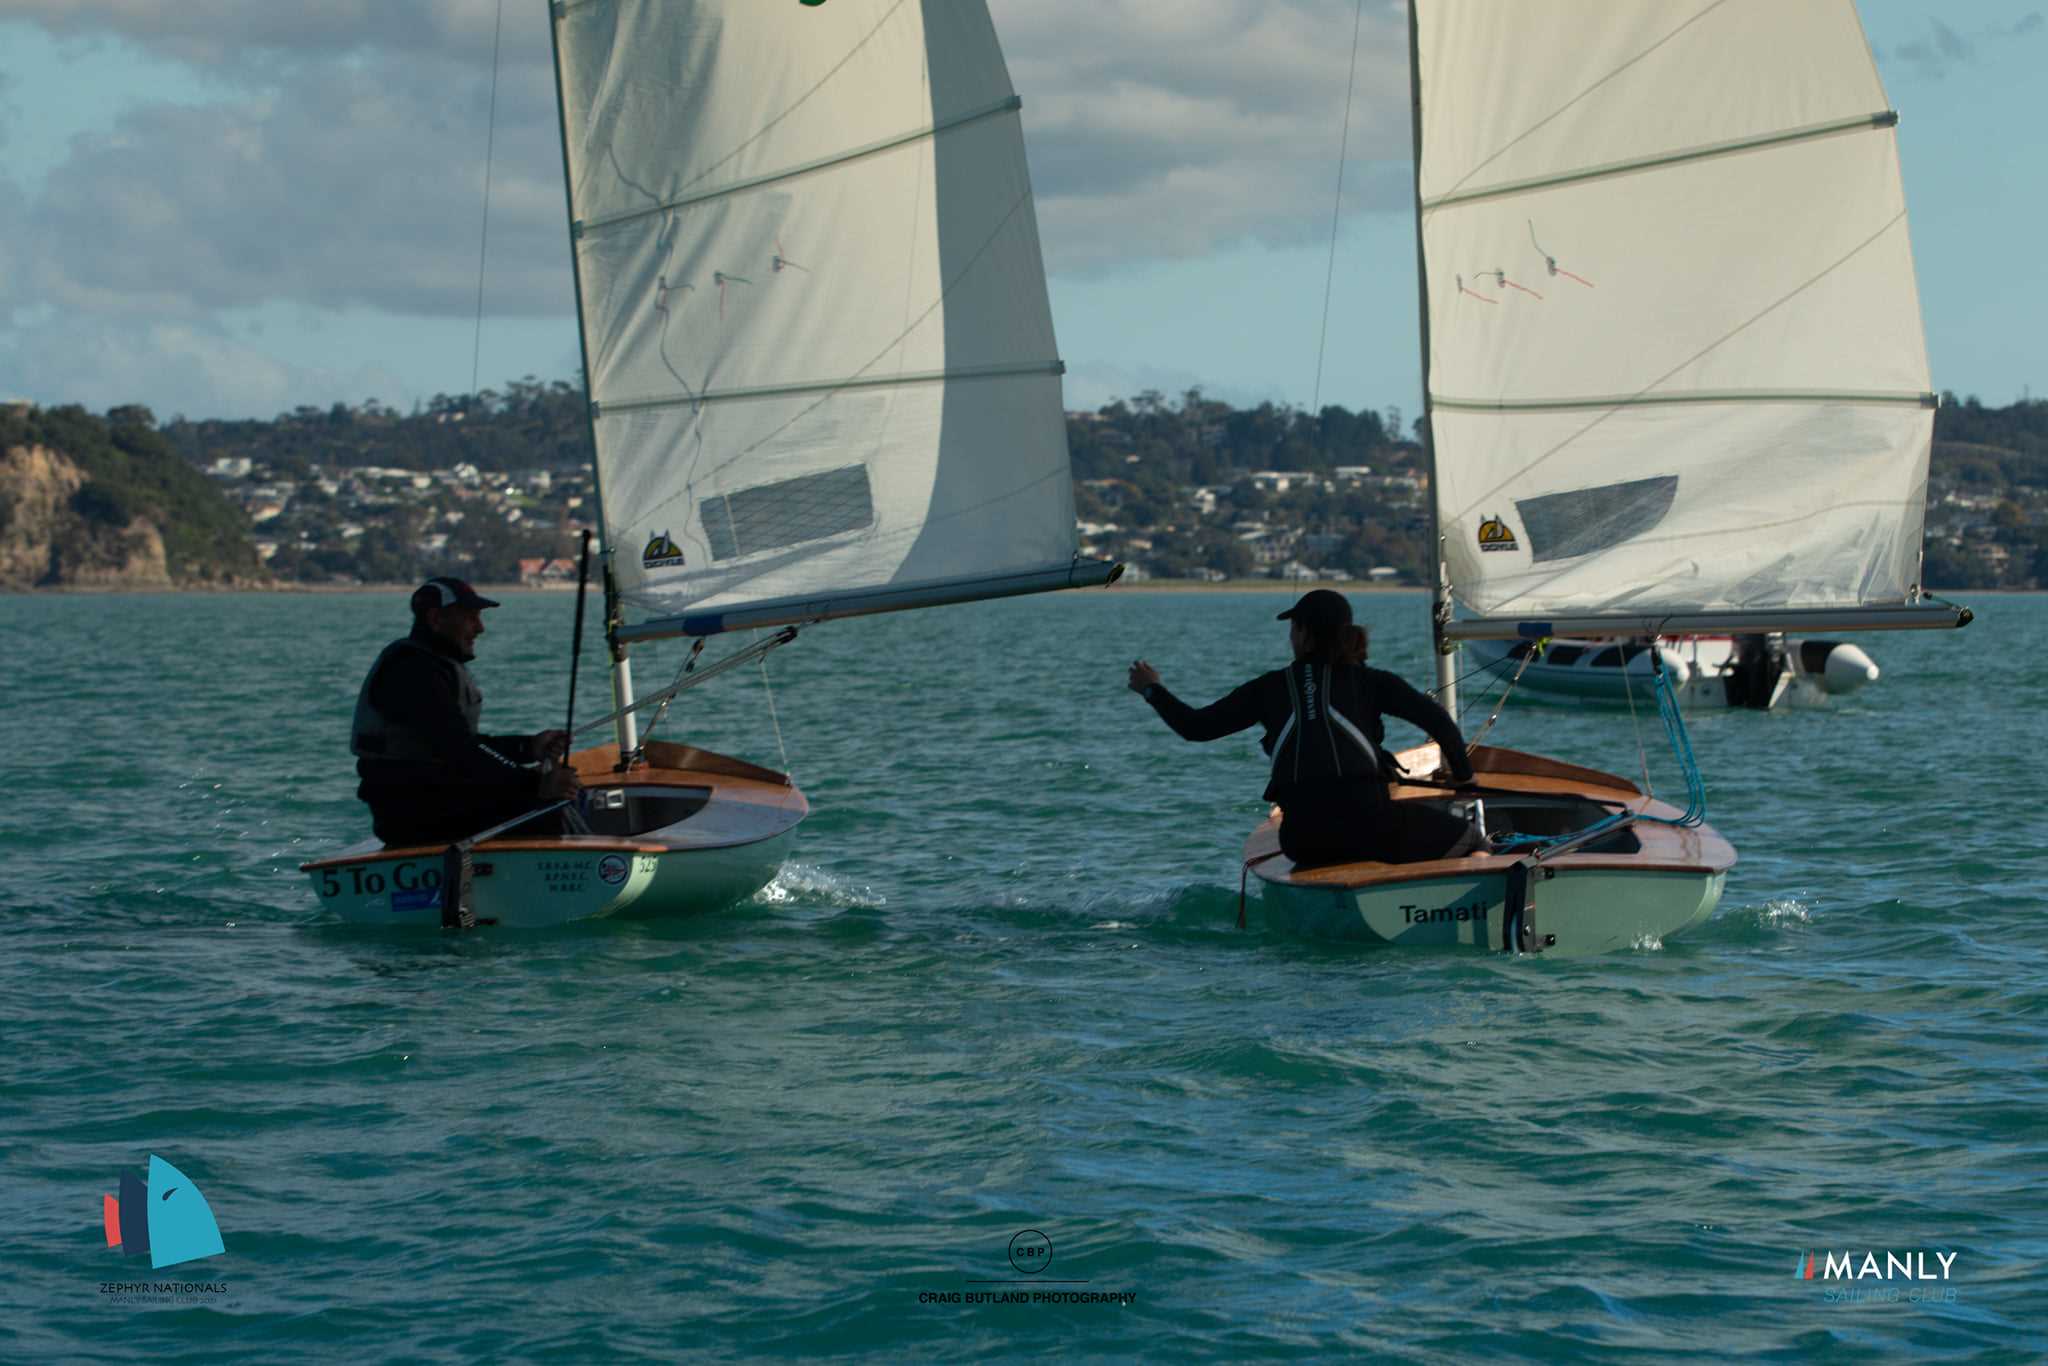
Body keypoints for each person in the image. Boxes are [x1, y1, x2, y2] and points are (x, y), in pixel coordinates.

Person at [1127, 588, 1487, 868]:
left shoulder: (1268, 688)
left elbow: (1196, 727)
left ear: (1305, 634)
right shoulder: (1372, 681)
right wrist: (1464, 777)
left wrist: (1151, 689)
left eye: (1292, 628)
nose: (1290, 636)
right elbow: (1438, 719)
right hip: (1372, 828)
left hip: (1303, 842)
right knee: (1472, 839)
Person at [351, 576, 581, 846]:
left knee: (561, 798)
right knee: (550, 810)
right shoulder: (411, 671)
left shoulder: (432, 665)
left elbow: (465, 746)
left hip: (438, 803)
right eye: (471, 618)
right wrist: (535, 785)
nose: (480, 628)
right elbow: (459, 751)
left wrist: (528, 747)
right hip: (417, 816)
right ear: (436, 619)